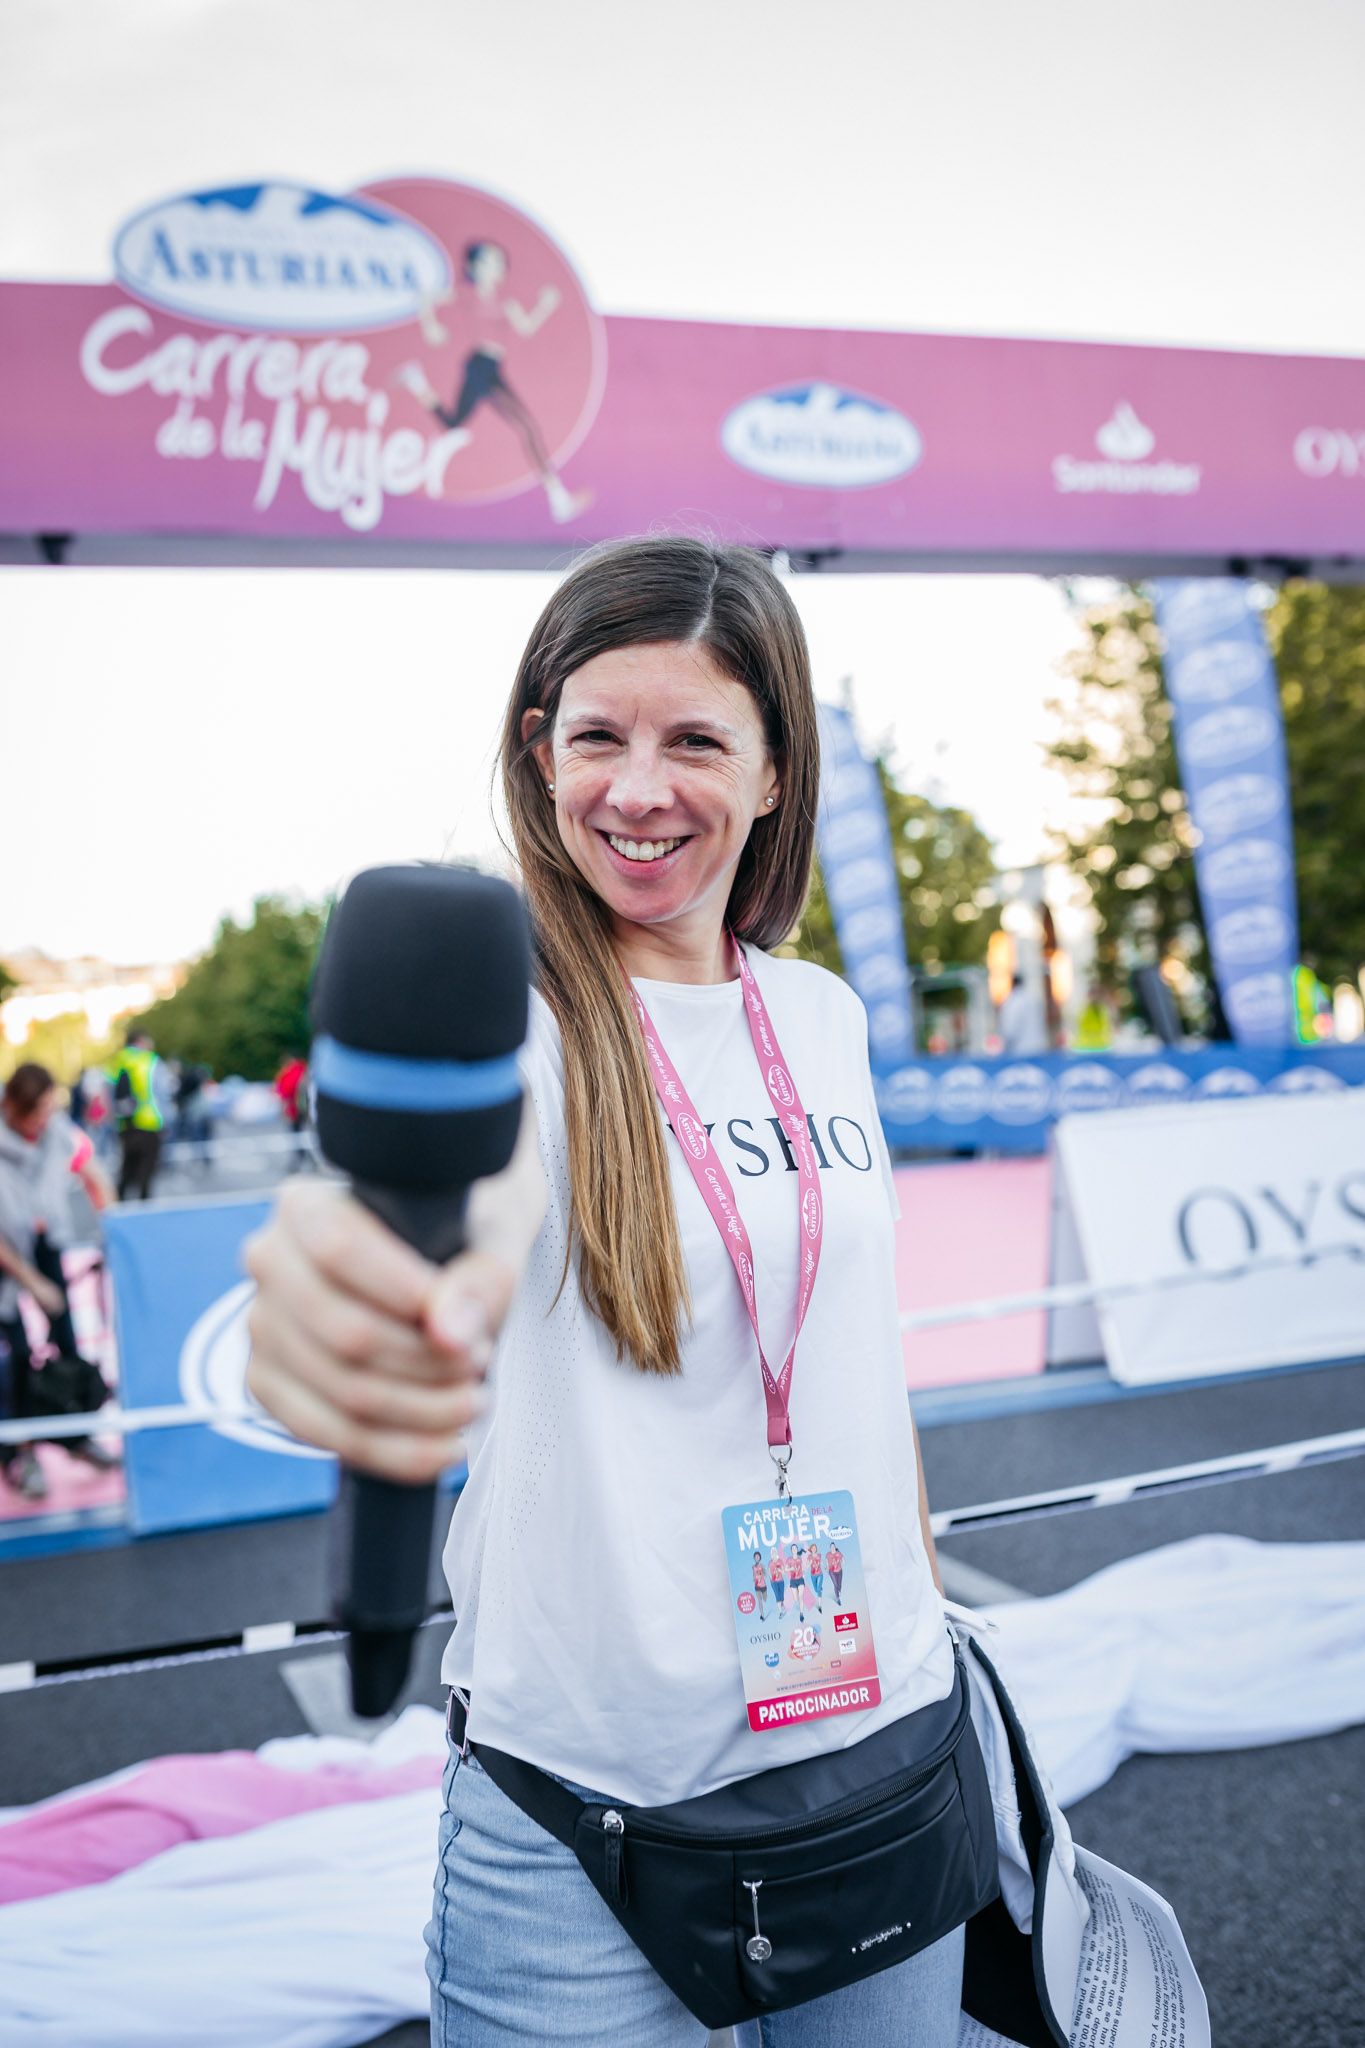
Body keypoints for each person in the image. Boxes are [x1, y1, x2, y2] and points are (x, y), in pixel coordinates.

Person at [245, 537, 963, 2045]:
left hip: (886, 1753)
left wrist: (929, 1620)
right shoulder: (507, 1021)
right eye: (597, 738)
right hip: (583, 1819)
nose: (638, 790)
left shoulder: (821, 1016)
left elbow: (857, 1368)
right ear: (539, 752)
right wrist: (331, 1322)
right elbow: (411, 1241)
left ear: (775, 773)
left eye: (696, 739)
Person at [394, 240, 591, 525]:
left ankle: (416, 382)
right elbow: (427, 298)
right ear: (473, 267)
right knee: (527, 427)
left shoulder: (505, 301)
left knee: (454, 423)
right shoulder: (466, 294)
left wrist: (545, 305)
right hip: (479, 367)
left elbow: (526, 326)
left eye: (499, 262)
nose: (496, 268)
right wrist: (432, 327)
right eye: (489, 262)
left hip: (493, 369)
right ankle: (558, 496)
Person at [0, 1064, 119, 1482]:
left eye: (50, 1109)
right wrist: (32, 1283)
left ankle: (76, 1435)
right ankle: (16, 1452)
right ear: (12, 1107)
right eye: (37, 1111)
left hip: (45, 1240)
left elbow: (95, 1175)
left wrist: (116, 1233)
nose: (43, 1119)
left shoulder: (58, 1134)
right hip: (5, 1254)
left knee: (67, 1341)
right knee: (11, 1355)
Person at [108, 1029, 164, 1201]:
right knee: (146, 1173)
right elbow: (162, 1092)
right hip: (149, 1122)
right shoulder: (150, 1060)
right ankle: (144, 1213)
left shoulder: (116, 1061)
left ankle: (118, 1210)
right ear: (140, 1041)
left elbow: (107, 1094)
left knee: (126, 1170)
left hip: (125, 1124)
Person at [751, 1550, 769, 1622]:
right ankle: (762, 1615)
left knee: (765, 1599)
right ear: (754, 1558)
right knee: (759, 1601)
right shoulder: (753, 1567)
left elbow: (766, 1575)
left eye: (758, 1556)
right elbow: (753, 1575)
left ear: (760, 1558)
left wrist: (761, 1575)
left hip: (763, 1585)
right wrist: (754, 1579)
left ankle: (765, 1597)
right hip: (757, 1586)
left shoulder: (762, 1565)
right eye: (755, 1557)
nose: (756, 1558)